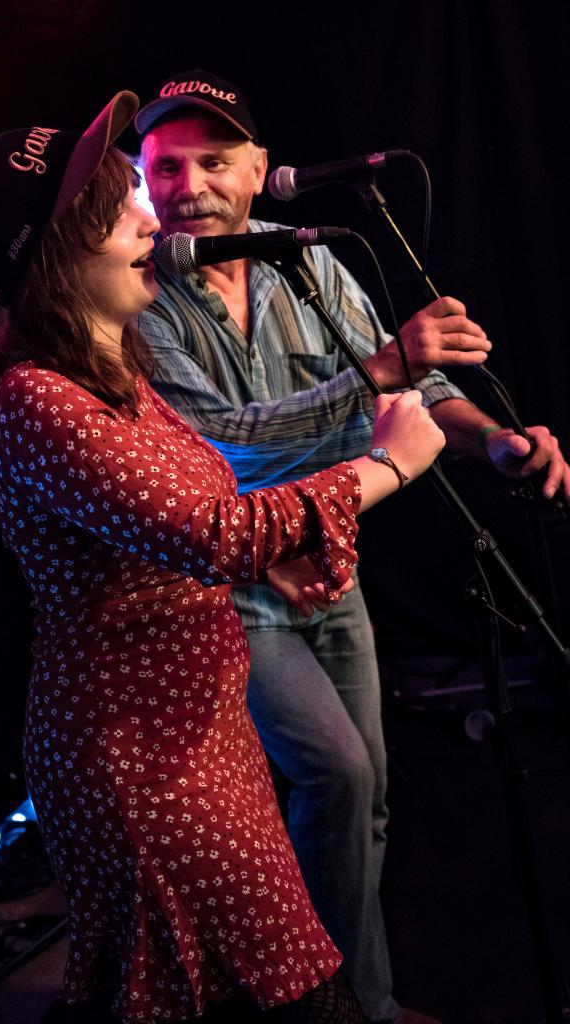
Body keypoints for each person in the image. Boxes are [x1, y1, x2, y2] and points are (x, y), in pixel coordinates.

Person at [0, 92, 447, 1024]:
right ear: (55, 258)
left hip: (198, 740)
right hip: (142, 764)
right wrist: (386, 463)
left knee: (258, 983)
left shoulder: (111, 369)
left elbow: (185, 514)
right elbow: (218, 531)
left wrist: (265, 564)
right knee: (259, 991)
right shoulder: (40, 399)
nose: (153, 212)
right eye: (119, 207)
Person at [135, 69, 570, 1024]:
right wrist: (381, 370)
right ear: (142, 178)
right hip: (235, 585)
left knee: (363, 800)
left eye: (215, 161)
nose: (192, 184)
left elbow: (402, 393)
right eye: (168, 165)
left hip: (332, 567)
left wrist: (492, 440)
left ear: (258, 172)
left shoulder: (313, 265)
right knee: (338, 775)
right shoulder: (140, 301)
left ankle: (354, 1002)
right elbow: (222, 440)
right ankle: (323, 1005)